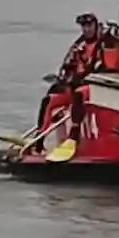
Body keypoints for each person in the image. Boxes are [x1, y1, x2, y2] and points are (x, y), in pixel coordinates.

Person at [34, 12, 105, 146]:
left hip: (93, 89)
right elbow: (68, 65)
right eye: (84, 26)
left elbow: (103, 70)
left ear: (95, 26)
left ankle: (74, 135)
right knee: (49, 100)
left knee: (79, 94)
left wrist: (81, 77)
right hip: (74, 87)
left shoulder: (102, 46)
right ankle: (39, 139)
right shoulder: (80, 45)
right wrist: (65, 77)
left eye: (89, 26)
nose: (86, 29)